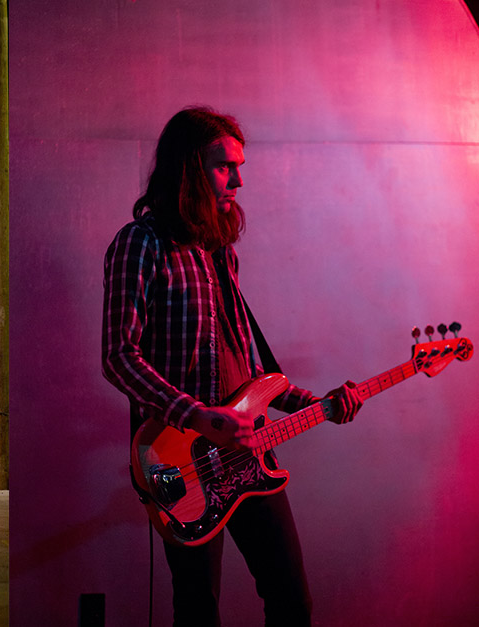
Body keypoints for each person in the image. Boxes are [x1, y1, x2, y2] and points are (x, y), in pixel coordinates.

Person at [101, 106, 363, 627]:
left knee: (293, 602)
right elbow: (118, 356)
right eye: (224, 166)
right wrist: (200, 417)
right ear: (187, 168)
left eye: (239, 166)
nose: (239, 180)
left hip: (250, 454)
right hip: (184, 460)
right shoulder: (141, 243)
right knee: (199, 612)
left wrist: (315, 403)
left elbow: (244, 361)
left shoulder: (220, 251)